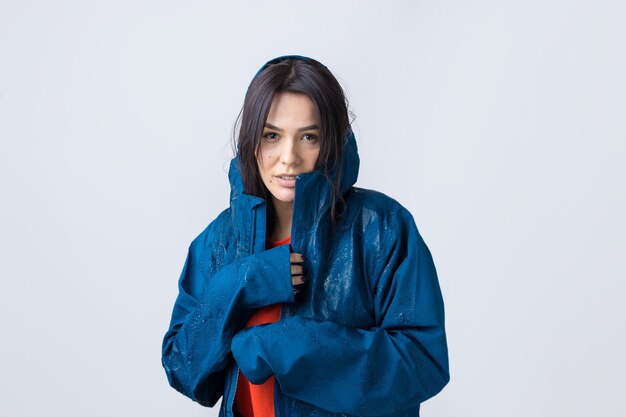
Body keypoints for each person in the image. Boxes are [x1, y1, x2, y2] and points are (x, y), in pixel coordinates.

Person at [161, 55, 450, 417]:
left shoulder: (381, 228)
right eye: (272, 136)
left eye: (308, 137)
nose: (289, 157)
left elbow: (423, 362)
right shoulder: (218, 242)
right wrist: (239, 284)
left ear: (331, 142)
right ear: (252, 142)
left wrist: (290, 345)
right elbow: (184, 372)